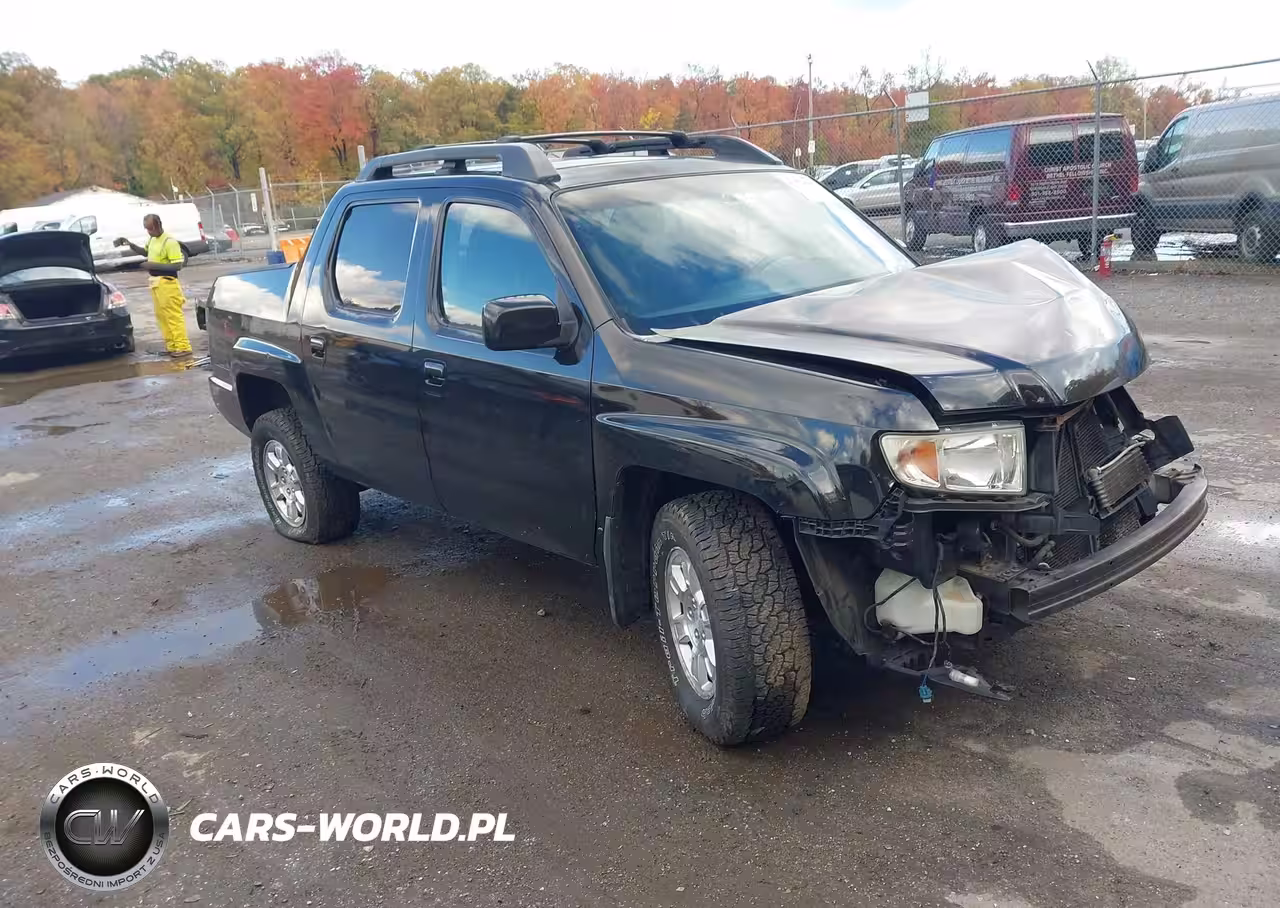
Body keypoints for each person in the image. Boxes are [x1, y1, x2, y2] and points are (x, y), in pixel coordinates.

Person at [115, 214, 193, 359]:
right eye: (147, 229)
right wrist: (130, 244)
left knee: (173, 317)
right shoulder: (152, 239)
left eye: (150, 229)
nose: (149, 232)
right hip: (156, 283)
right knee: (162, 317)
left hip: (168, 283)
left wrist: (152, 265)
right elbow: (146, 252)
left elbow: (177, 265)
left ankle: (183, 347)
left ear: (158, 225)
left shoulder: (170, 242)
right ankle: (172, 346)